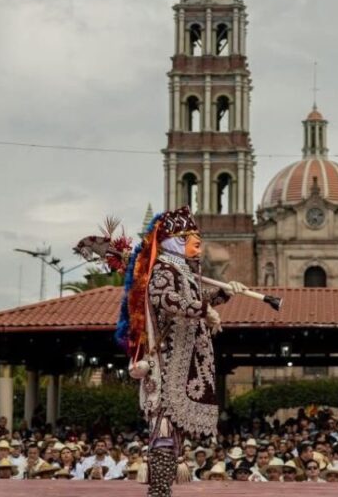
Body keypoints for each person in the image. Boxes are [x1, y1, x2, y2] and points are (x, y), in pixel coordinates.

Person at [124, 206, 247, 497]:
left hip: (185, 360)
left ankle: (162, 489)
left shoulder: (183, 270)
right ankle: (159, 491)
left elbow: (193, 299)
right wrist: (205, 310)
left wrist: (223, 294)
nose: (198, 246)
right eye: (194, 241)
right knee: (164, 430)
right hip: (168, 362)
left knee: (174, 432)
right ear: (177, 241)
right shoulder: (164, 270)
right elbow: (166, 299)